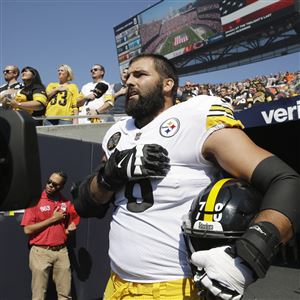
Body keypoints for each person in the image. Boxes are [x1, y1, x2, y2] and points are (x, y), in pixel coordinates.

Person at [74, 54, 299, 300]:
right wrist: (110, 175)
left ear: (167, 84)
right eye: (127, 75)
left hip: (176, 288)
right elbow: (86, 204)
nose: (129, 81)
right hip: (117, 284)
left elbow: (285, 180)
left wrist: (251, 253)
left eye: (140, 74)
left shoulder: (196, 116)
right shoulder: (117, 133)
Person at [21, 171, 80, 300]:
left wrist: (72, 227)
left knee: (65, 295)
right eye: (49, 182)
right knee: (39, 296)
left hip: (61, 252)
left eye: (55, 184)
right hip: (40, 252)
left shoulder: (66, 203)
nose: (50, 185)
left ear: (61, 187)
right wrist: (53, 219)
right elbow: (27, 229)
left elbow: (73, 221)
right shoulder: (35, 201)